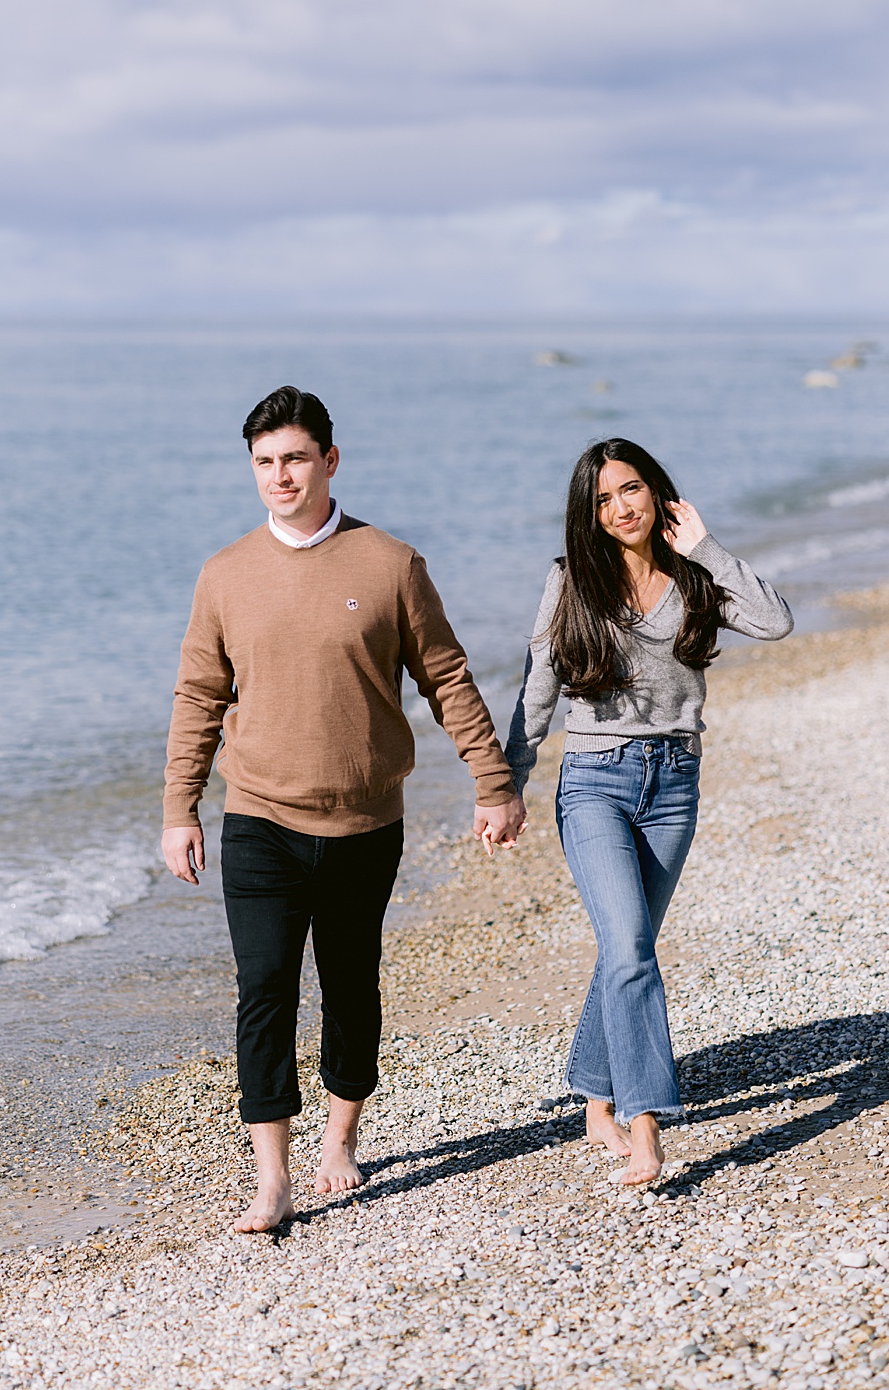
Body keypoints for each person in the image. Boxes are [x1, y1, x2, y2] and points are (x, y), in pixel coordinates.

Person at [162, 386, 525, 1230]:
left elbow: (447, 679)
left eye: (294, 458)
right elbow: (198, 696)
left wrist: (492, 781)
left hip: (366, 820)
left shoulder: (391, 564)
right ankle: (273, 1178)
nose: (279, 476)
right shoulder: (225, 574)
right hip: (258, 818)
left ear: (330, 460)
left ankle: (340, 1139)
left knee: (352, 987)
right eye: (263, 463)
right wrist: (180, 808)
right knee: (264, 991)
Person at [503, 438, 792, 1185]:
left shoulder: (696, 578)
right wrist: (507, 782)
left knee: (624, 950)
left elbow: (776, 621)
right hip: (594, 780)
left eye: (631, 489)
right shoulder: (570, 582)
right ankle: (645, 1125)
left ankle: (594, 1098)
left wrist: (707, 546)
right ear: (588, 514)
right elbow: (538, 687)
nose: (620, 507)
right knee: (632, 950)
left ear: (656, 492)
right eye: (603, 499)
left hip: (674, 786)